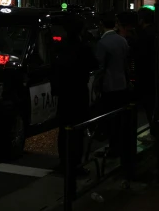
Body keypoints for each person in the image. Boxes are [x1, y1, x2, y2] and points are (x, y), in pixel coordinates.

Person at [52, 14, 98, 176]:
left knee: (64, 129)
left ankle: (64, 162)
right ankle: (75, 164)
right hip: (78, 91)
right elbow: (94, 63)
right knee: (77, 129)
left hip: (64, 92)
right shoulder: (83, 47)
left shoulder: (61, 46)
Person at [95, 11, 130, 157]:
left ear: (101, 25)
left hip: (108, 85)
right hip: (121, 83)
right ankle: (119, 146)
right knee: (119, 118)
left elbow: (99, 66)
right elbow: (127, 63)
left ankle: (112, 147)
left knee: (109, 117)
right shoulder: (122, 40)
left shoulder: (102, 43)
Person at [132, 8, 157, 141]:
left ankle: (154, 132)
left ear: (141, 20)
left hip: (146, 75)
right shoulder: (156, 32)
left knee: (149, 105)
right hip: (155, 74)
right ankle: (155, 130)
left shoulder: (143, 35)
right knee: (153, 105)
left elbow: (139, 56)